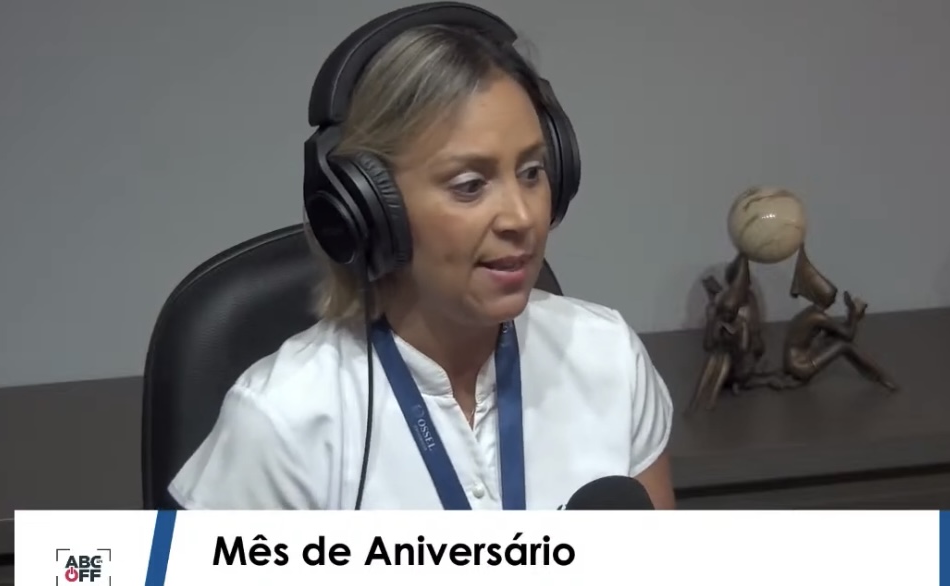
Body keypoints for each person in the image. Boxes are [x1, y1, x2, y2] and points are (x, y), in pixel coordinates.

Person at [168, 3, 675, 511]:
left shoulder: (609, 359)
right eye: (470, 185)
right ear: (370, 206)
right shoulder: (282, 422)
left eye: (531, 172)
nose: (522, 217)